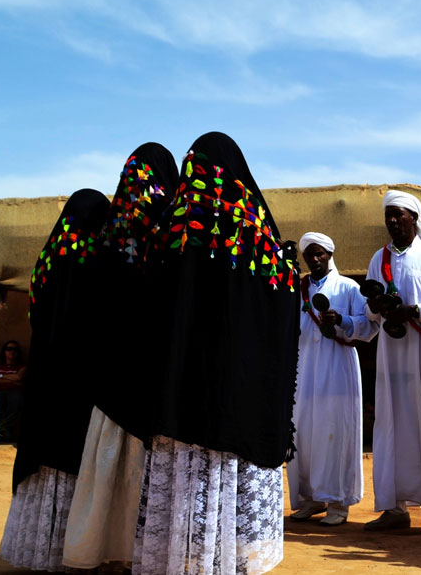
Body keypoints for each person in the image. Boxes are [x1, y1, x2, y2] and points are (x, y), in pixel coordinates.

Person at [132, 132, 299, 575]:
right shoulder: (255, 234)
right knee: (228, 480)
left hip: (179, 394)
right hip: (236, 399)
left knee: (187, 485)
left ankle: (187, 561)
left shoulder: (168, 231)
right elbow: (282, 306)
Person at [62, 143, 179, 570]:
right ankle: (143, 553)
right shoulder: (173, 233)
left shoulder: (107, 237)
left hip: (109, 374)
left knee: (109, 459)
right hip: (152, 377)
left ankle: (100, 548)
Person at [0, 188, 110, 572]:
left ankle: (38, 551)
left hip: (46, 377)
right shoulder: (93, 258)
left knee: (45, 462)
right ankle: (73, 552)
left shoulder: (47, 257)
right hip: (80, 379)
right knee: (73, 463)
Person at [363, 190, 421, 533]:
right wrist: (380, 308)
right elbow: (368, 310)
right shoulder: (379, 258)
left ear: (414, 218)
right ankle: (394, 507)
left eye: (398, 215)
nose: (392, 221)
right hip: (392, 355)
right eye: (388, 215)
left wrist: (414, 311)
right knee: (391, 423)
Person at [287, 232, 378, 527]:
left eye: (319, 254)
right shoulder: (296, 290)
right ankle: (311, 498)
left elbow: (369, 327)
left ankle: (338, 501)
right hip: (305, 369)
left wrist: (342, 321)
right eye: (309, 255)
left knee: (335, 431)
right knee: (304, 432)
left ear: (329, 254)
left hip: (338, 369)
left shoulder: (349, 287)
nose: (314, 259)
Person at [0, 340, 26, 441]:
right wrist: (11, 379)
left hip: (14, 393)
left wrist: (2, 376)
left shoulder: (22, 367)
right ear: (4, 352)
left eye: (15, 349)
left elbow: (18, 378)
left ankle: (8, 434)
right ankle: (1, 433)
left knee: (14, 400)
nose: (12, 352)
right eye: (9, 349)